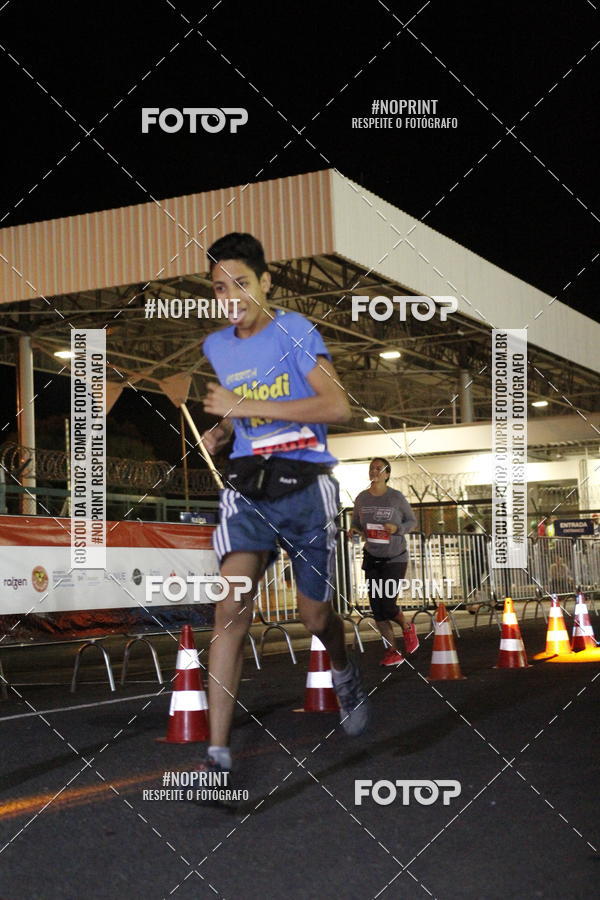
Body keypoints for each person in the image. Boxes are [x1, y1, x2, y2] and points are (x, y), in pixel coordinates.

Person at [198, 232, 370, 775]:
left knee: (313, 615)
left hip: (304, 486)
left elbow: (336, 407)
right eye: (220, 288)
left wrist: (242, 402)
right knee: (229, 608)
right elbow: (244, 414)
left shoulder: (294, 331)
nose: (231, 297)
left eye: (241, 284)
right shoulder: (217, 347)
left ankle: (342, 669)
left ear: (266, 282)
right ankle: (218, 754)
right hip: (249, 488)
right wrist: (225, 430)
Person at [349, 458, 419, 666]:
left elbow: (412, 521)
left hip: (394, 558)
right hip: (372, 557)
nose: (374, 471)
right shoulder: (362, 498)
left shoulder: (395, 497)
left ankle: (407, 627)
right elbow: (356, 524)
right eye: (372, 468)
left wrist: (397, 529)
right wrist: (353, 532)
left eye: (379, 468)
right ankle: (392, 652)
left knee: (388, 606)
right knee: (377, 609)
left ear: (387, 474)